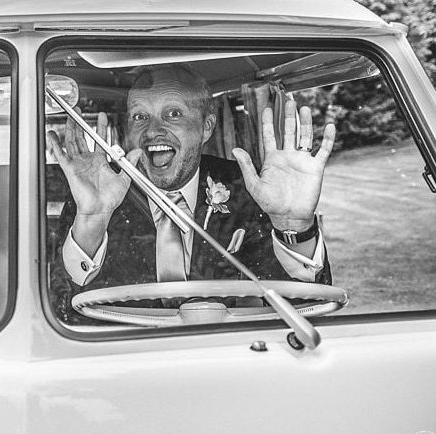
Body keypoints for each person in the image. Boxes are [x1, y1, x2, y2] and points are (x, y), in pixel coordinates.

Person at [47, 65, 334, 314]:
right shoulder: (94, 197)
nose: (152, 130)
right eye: (139, 117)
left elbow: (301, 310)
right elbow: (62, 309)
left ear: (206, 127)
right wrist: (93, 223)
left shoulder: (249, 190)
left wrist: (295, 227)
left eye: (173, 113)